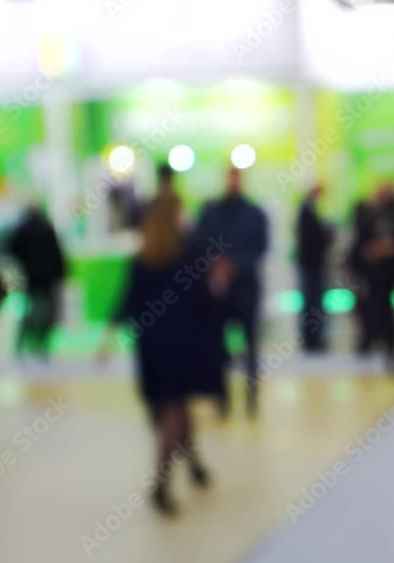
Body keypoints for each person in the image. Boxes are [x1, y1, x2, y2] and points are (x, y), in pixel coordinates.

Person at [107, 196, 222, 515]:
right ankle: (161, 484)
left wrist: (108, 335)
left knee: (175, 409)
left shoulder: (143, 258)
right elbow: (207, 302)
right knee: (175, 412)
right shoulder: (189, 255)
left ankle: (195, 466)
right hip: (183, 347)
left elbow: (128, 301)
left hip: (153, 349)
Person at [195, 166, 268, 417]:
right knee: (217, 347)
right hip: (219, 291)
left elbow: (260, 247)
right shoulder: (211, 213)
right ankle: (221, 397)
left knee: (250, 347)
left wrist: (235, 265)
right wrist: (216, 266)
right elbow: (200, 244)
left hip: (246, 289)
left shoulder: (254, 213)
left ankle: (251, 399)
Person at [350, 181, 394, 372]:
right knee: (374, 310)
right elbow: (360, 245)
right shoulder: (367, 214)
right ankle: (374, 343)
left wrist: (393, 247)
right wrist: (372, 251)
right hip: (374, 274)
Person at [7, 203, 66, 360]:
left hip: (29, 277)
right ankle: (42, 343)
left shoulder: (23, 229)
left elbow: (12, 250)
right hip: (46, 278)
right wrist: (60, 275)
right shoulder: (47, 229)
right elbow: (57, 254)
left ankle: (21, 344)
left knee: (29, 310)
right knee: (46, 311)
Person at [296, 184, 333, 353]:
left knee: (314, 303)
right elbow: (311, 238)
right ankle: (311, 339)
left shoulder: (310, 210)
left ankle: (313, 338)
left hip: (314, 265)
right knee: (312, 303)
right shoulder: (306, 211)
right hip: (311, 265)